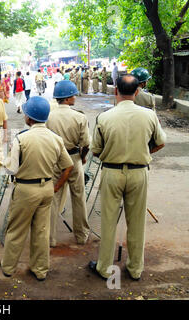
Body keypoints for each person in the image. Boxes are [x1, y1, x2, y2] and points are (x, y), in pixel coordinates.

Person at [88, 75, 166, 281]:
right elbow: (160, 142)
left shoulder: (104, 117)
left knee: (108, 221)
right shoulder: (149, 115)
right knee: (137, 222)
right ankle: (135, 268)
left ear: (116, 91)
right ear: (137, 91)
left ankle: (104, 268)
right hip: (139, 172)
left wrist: (113, 152)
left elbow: (95, 150)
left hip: (112, 173)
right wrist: (144, 153)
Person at [1, 96, 74, 281]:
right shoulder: (56, 139)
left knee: (16, 230)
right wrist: (57, 186)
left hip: (26, 190)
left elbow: (11, 169)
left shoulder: (21, 139)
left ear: (29, 118)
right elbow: (68, 166)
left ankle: (9, 267)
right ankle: (40, 269)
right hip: (47, 188)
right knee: (41, 231)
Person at [46, 81, 91, 247]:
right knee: (78, 197)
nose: (75, 97)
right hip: (73, 159)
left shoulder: (49, 116)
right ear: (67, 98)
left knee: (53, 198)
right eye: (73, 95)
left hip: (54, 159)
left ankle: (50, 238)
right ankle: (81, 235)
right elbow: (86, 144)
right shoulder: (79, 117)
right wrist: (83, 157)